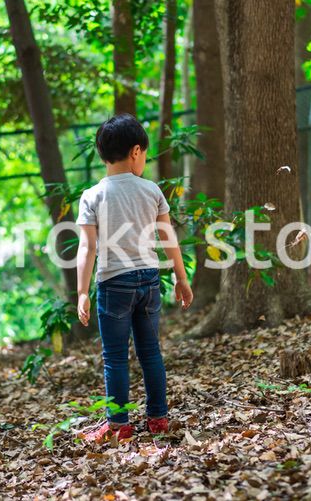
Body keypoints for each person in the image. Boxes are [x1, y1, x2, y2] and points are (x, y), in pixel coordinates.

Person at [75, 113, 193, 442]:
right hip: (149, 280)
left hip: (114, 283)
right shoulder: (151, 190)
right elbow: (168, 237)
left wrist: (82, 292)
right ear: (136, 151)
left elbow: (88, 247)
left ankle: (119, 425)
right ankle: (158, 418)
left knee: (114, 356)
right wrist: (182, 278)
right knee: (150, 352)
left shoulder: (92, 195)